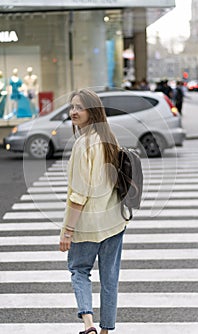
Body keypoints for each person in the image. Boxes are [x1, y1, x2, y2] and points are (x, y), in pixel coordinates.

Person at [59, 89, 128, 334]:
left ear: (92, 111)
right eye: (72, 107)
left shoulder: (83, 145)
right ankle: (106, 330)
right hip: (114, 222)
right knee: (110, 279)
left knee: (79, 270)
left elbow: (79, 195)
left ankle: (89, 325)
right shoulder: (109, 138)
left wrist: (67, 231)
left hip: (87, 225)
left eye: (79, 107)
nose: (73, 112)